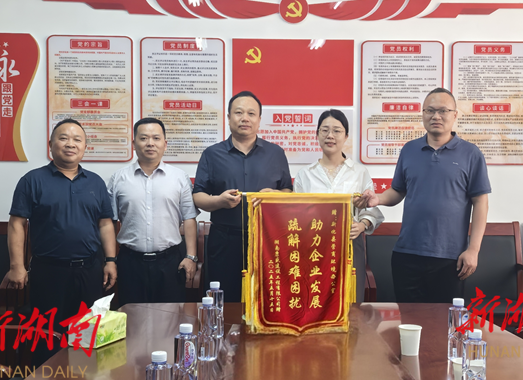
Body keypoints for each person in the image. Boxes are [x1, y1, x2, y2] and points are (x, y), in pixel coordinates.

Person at [354, 88, 491, 303]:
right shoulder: (409, 150)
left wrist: (473, 250)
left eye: (443, 111)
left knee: (444, 320)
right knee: (408, 318)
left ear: (455, 115)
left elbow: (481, 202)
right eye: (430, 110)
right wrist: (378, 199)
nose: (436, 116)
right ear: (423, 114)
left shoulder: (471, 154)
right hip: (407, 254)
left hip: (450, 257)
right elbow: (398, 191)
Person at [5, 118, 117, 326]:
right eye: (63, 138)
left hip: (90, 270)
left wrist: (110, 260)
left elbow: (105, 224)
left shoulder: (96, 182)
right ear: (50, 144)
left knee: (88, 332)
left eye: (77, 139)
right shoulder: (32, 180)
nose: (70, 144)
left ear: (85, 146)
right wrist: (17, 266)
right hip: (48, 271)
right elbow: (16, 224)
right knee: (48, 332)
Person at [193, 91, 293, 302]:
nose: (245, 118)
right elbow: (198, 196)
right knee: (224, 300)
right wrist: (219, 201)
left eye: (251, 113)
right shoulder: (212, 154)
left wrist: (275, 196)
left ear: (259, 120)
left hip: (267, 239)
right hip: (224, 240)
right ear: (229, 117)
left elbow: (288, 192)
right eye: (238, 113)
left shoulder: (276, 153)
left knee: (266, 299)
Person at [294, 109, 384, 302]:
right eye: (325, 130)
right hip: (314, 246)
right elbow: (296, 214)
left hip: (349, 245)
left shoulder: (359, 172)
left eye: (337, 130)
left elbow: (372, 209)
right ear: (317, 134)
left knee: (350, 302)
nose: (330, 136)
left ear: (346, 136)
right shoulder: (305, 174)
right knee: (315, 300)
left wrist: (362, 225)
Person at [108, 118, 198, 307]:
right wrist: (110, 260)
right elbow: (109, 222)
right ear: (134, 144)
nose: (150, 143)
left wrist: (190, 257)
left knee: (171, 317)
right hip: (130, 262)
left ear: (165, 144)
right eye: (144, 138)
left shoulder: (179, 177)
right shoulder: (118, 179)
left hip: (170, 262)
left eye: (156, 138)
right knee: (132, 316)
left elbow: (189, 218)